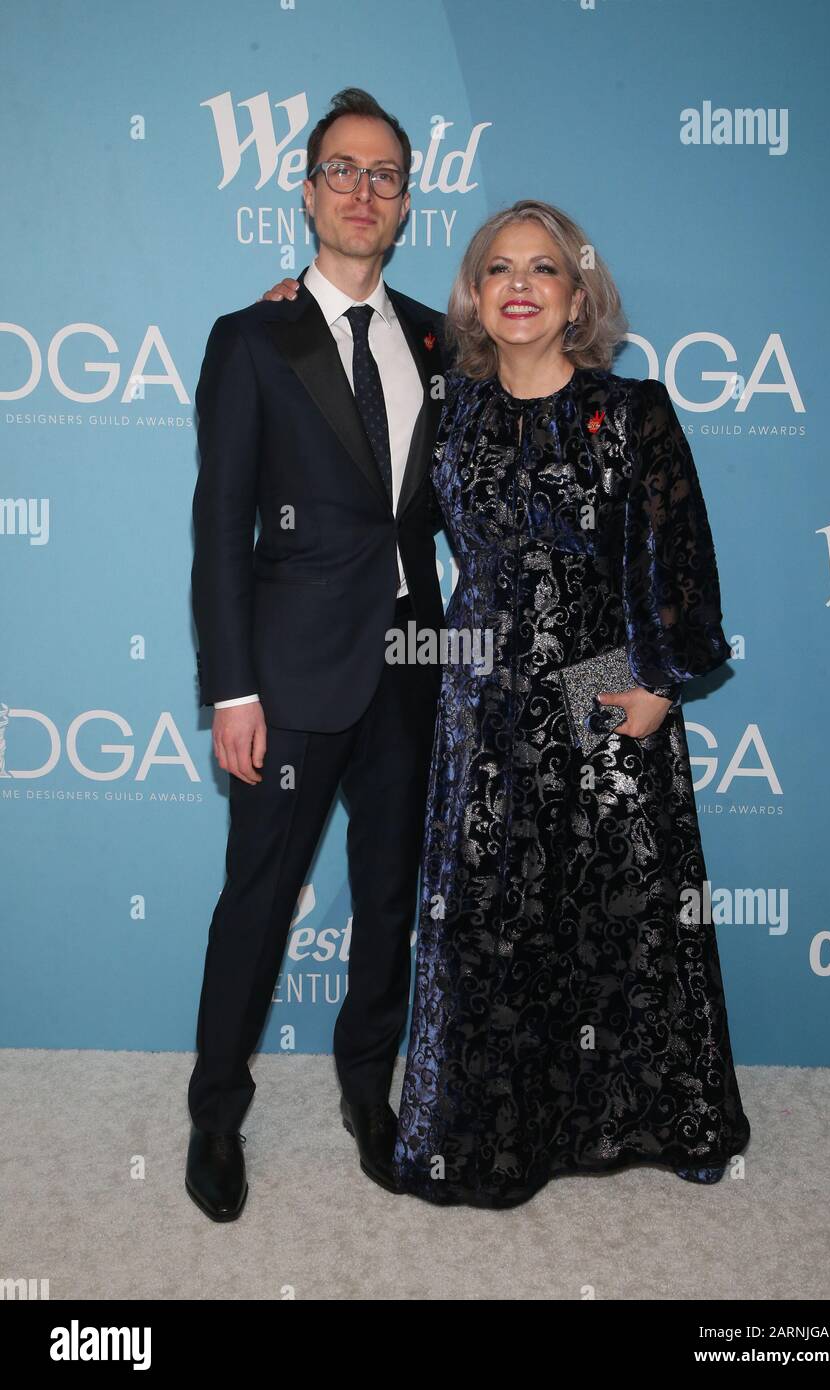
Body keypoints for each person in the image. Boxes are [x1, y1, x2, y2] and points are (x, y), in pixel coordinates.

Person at [265, 201, 752, 1209]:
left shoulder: (634, 411)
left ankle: (666, 1114)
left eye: (544, 269)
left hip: (600, 682)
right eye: (499, 269)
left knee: (629, 913)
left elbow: (683, 560)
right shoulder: (453, 406)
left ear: (579, 296)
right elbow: (357, 402)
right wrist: (295, 311)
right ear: (475, 297)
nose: (521, 284)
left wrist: (660, 682)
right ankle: (493, 1129)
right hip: (483, 690)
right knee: (493, 919)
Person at [185, 88, 448, 1221]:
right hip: (287, 678)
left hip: (409, 667)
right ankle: (213, 1113)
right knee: (257, 898)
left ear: (403, 207)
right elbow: (219, 526)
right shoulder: (253, 336)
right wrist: (230, 686)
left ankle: (367, 1094)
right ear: (305, 190)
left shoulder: (443, 339)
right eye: (342, 170)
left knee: (391, 897)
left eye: (384, 176)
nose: (362, 191)